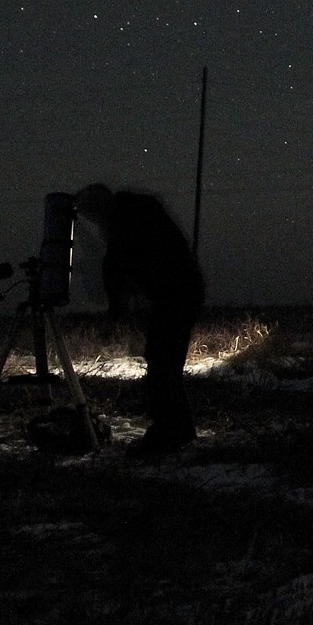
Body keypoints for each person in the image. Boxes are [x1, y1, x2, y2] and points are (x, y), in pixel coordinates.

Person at [73, 184, 204, 456]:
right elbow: (115, 270)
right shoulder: (126, 220)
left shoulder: (134, 217)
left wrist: (120, 309)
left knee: (162, 365)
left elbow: (123, 263)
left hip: (177, 293)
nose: (95, 224)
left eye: (93, 216)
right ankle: (179, 429)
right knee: (163, 363)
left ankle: (169, 432)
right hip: (174, 294)